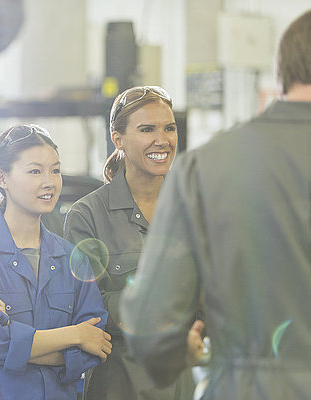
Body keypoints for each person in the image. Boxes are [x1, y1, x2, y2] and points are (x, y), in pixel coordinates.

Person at [119, 8, 311, 399]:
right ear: (118, 138)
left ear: (282, 74)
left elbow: (151, 331)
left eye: (168, 127)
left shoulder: (203, 169)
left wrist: (181, 350)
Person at [0, 124, 112, 399]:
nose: (49, 181)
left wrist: (15, 338)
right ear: (1, 177)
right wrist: (75, 335)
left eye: (55, 170)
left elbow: (94, 349)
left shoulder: (73, 259)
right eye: (35, 171)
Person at [64, 86, 196, 399]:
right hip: (121, 385)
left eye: (169, 128)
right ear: (118, 138)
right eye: (146, 129)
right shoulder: (87, 215)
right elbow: (84, 307)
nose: (162, 140)